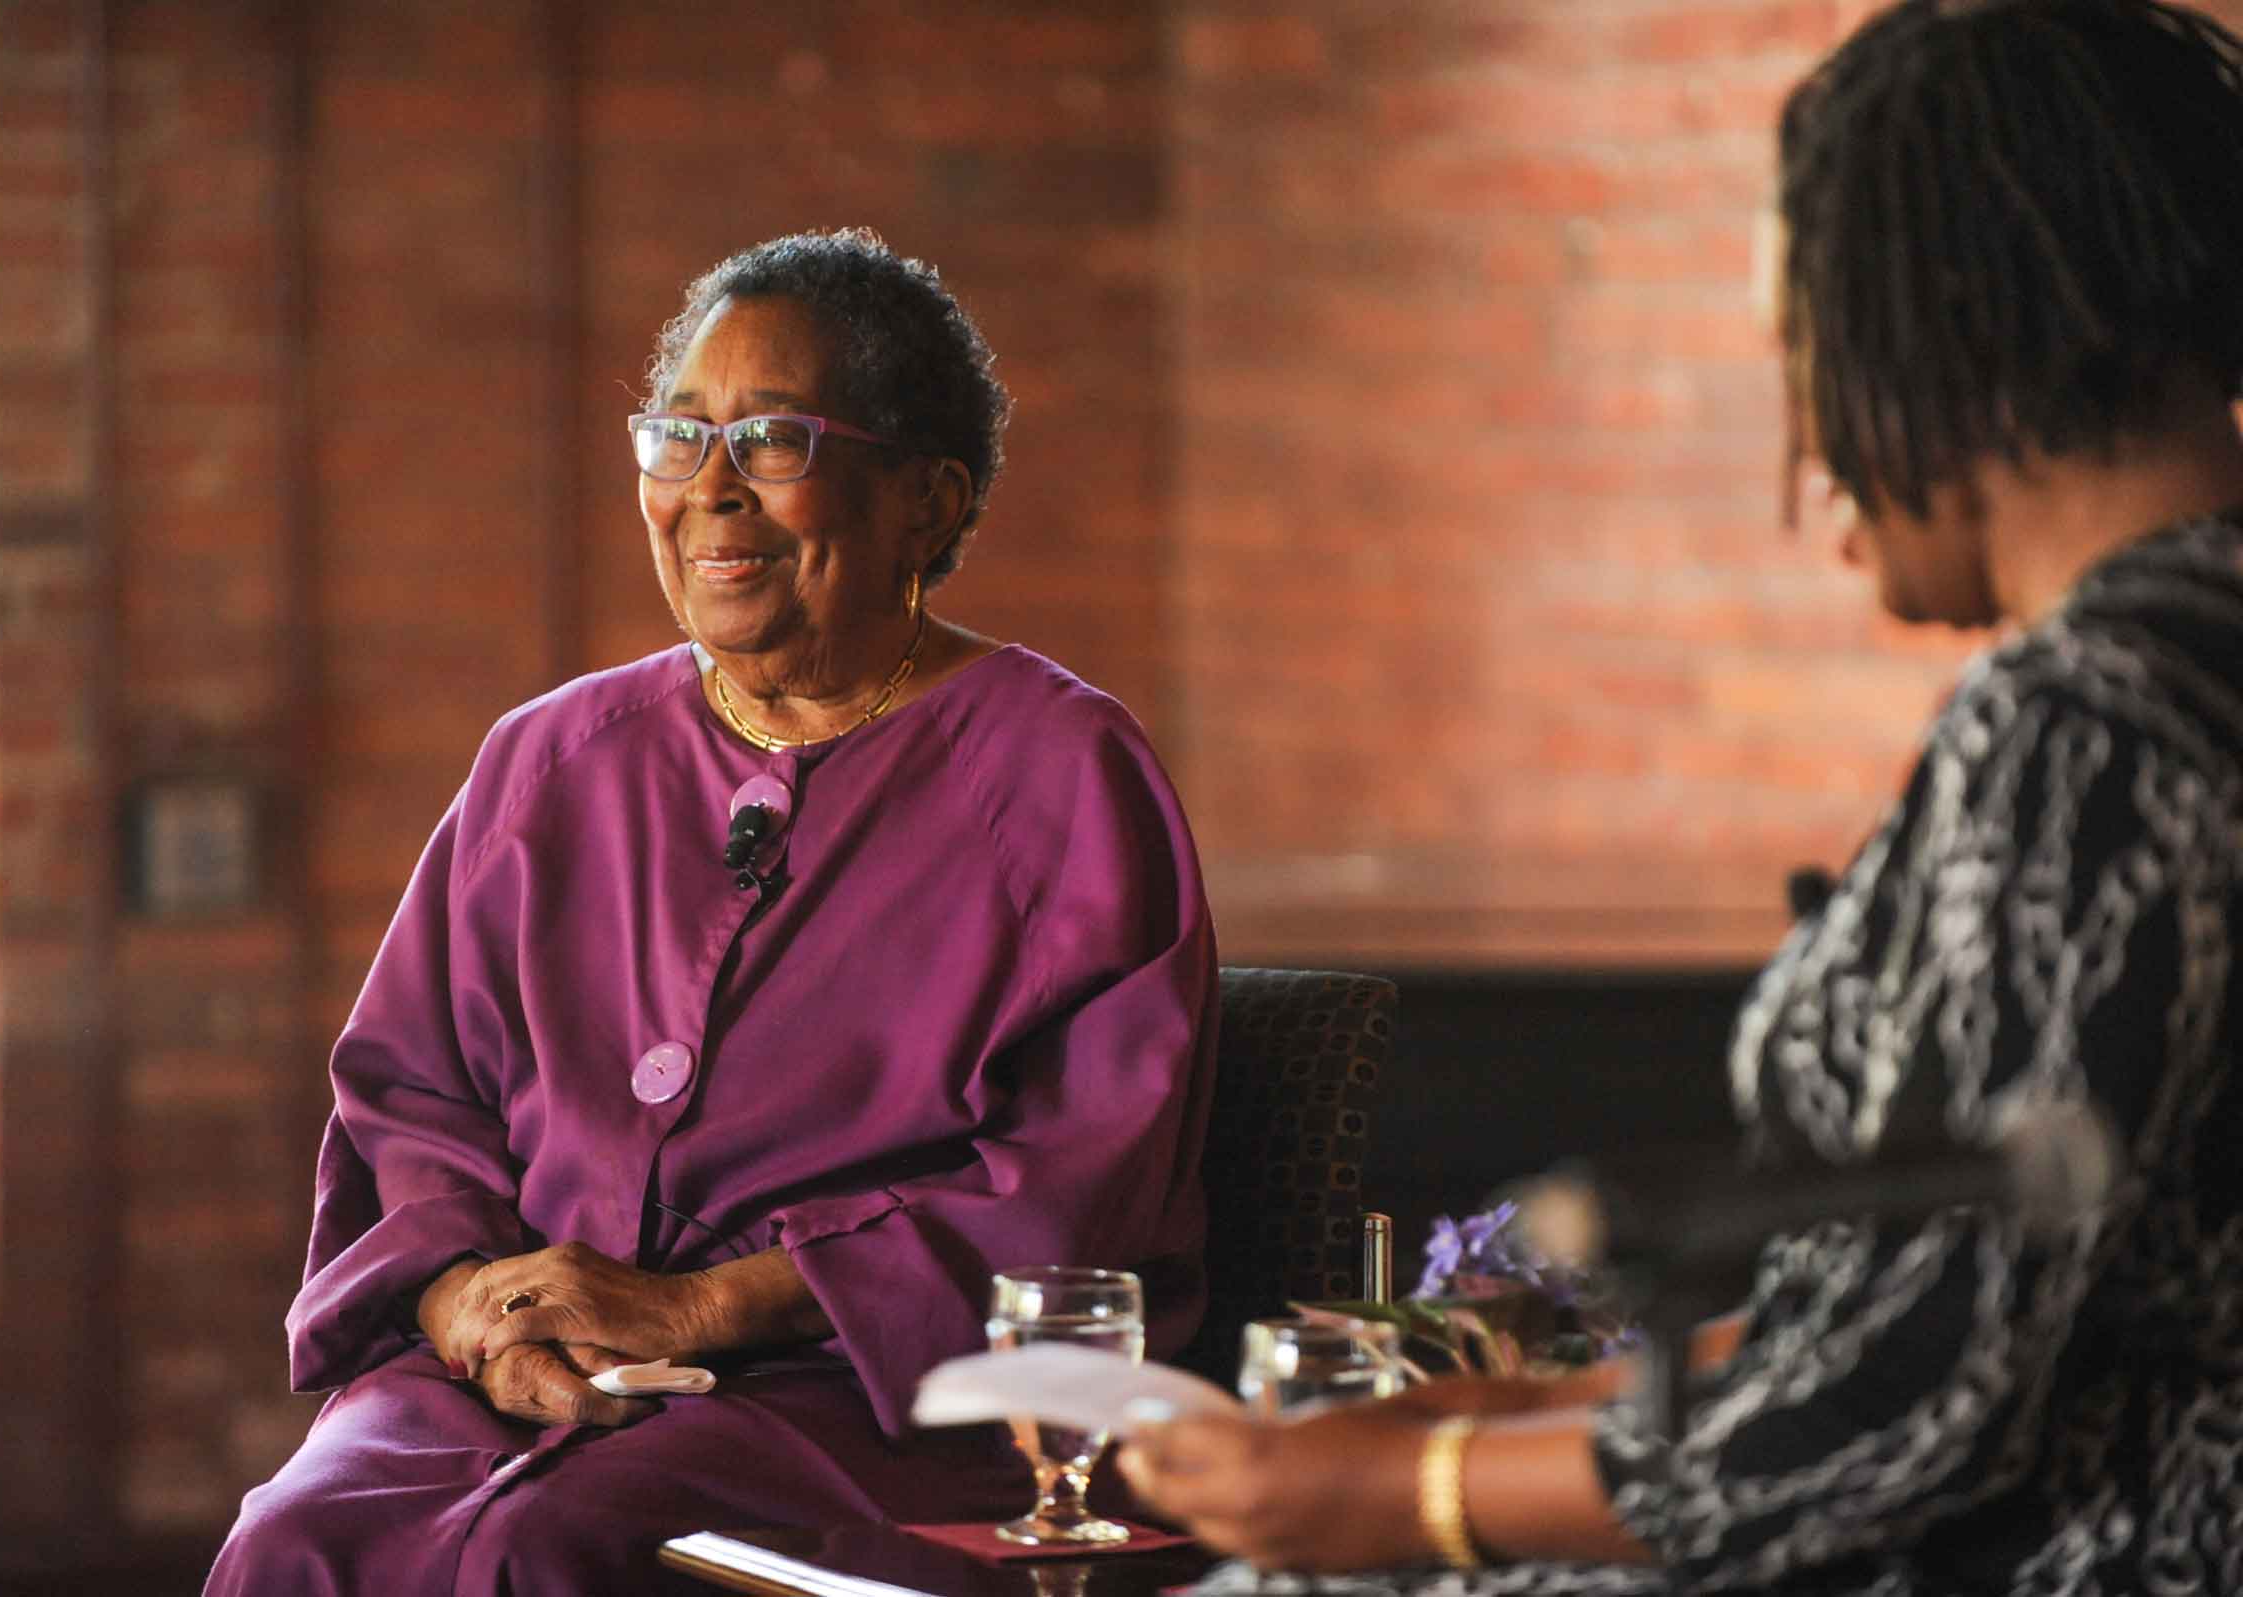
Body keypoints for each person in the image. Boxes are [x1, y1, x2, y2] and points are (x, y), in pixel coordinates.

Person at [1120, 2, 2243, 1593]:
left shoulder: (2087, 728)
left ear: (1945, 323)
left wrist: (1420, 1493)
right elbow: (1975, 1317)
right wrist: (1543, 1406)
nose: (1811, 436)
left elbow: (1906, 1411)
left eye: (1806, 348)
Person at [207, 228, 1218, 1593]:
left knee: (544, 1547)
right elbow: (413, 1097)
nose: (712, 491)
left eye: (776, 440)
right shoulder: (553, 759)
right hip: (510, 1371)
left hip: (859, 1393)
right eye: (679, 435)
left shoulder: (1059, 773)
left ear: (924, 499)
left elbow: (1074, 1204)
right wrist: (474, 1308)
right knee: (298, 1534)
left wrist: (698, 1305)